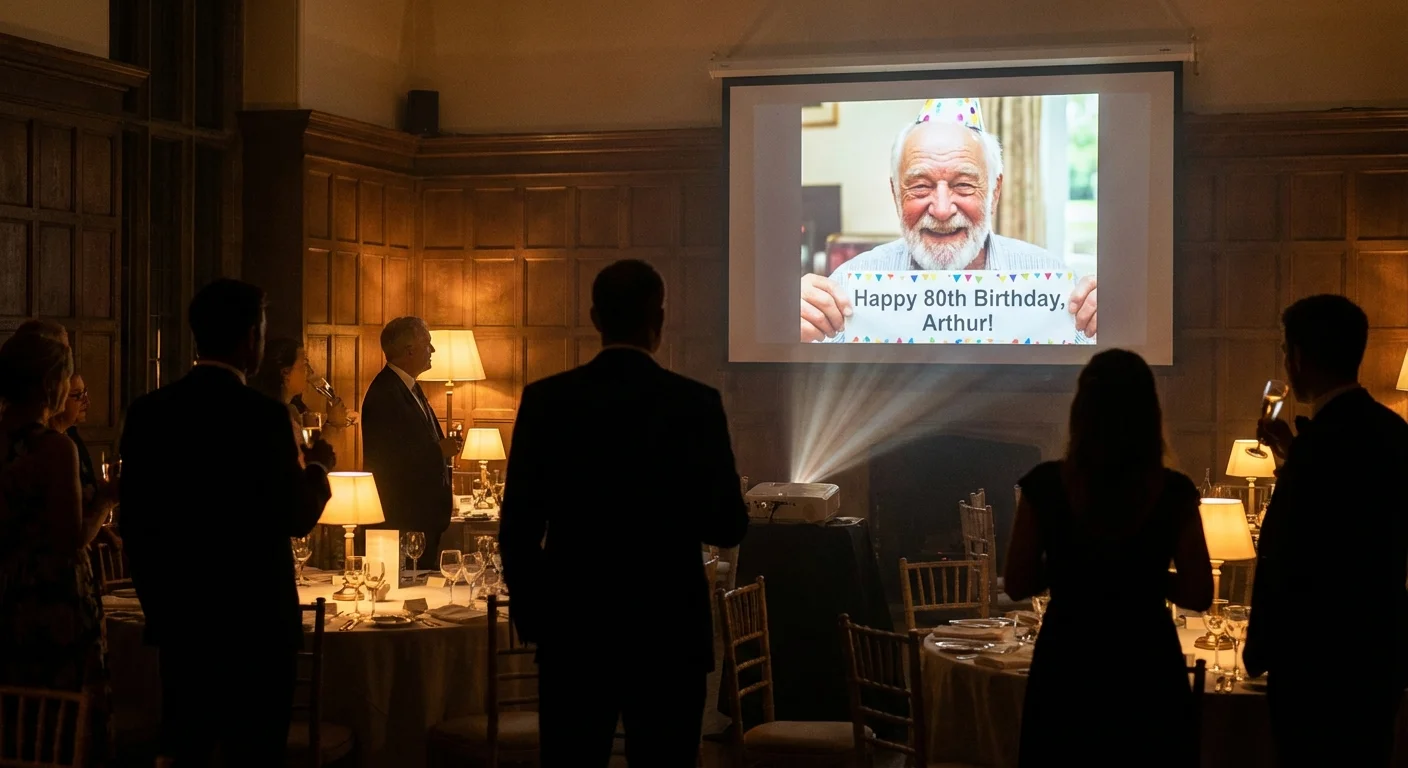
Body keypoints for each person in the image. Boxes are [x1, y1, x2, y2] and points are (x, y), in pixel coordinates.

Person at [500, 259, 750, 767]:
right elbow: (727, 524)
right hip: (668, 629)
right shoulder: (694, 404)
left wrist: (534, 614)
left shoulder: (547, 401)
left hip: (574, 627)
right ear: (658, 319)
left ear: (595, 318)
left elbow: (519, 528)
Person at [118, 279, 334, 766]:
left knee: (187, 749)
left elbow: (135, 523)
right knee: (255, 753)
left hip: (182, 626)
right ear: (249, 339)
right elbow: (296, 517)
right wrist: (318, 467)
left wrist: (163, 610)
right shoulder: (263, 417)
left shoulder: (149, 412)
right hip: (256, 627)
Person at [1005, 348, 1212, 767]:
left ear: (1081, 409)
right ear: (1149, 413)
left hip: (1068, 662)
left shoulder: (1044, 486)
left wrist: (1072, 567)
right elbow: (1198, 593)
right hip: (1147, 665)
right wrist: (1144, 574)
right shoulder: (1174, 492)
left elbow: (1016, 583)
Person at [1243, 295, 1408, 767]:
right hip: (1377, 653)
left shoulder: (1318, 447)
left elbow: (1294, 549)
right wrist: (1292, 457)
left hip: (1315, 662)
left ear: (1296, 357)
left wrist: (1262, 646)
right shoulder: (1394, 432)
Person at [800, 98, 1098, 342]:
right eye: (920, 186)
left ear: (994, 193)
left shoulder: (1055, 288)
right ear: (896, 194)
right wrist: (787, 331)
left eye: (964, 185)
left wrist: (1115, 324)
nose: (942, 210)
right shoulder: (847, 290)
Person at [0, 333, 114, 764]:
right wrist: (105, 499)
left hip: (7, 598)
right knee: (65, 724)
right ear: (52, 383)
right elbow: (70, 541)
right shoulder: (53, 448)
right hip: (54, 606)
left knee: (17, 724)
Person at [360, 317, 457, 562]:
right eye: (428, 344)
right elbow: (390, 460)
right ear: (410, 350)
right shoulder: (385, 393)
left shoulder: (409, 387)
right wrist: (439, 451)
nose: (432, 350)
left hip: (423, 518)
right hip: (404, 518)